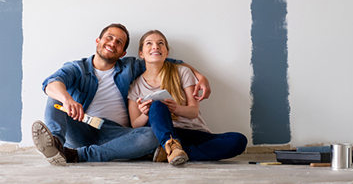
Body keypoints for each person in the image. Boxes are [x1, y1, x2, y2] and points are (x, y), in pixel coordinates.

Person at [31, 23, 211, 165]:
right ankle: (55, 144)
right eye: (109, 38)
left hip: (118, 133)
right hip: (82, 127)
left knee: (153, 135)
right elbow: (51, 83)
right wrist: (68, 100)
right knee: (56, 96)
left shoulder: (130, 66)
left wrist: (200, 76)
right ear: (98, 40)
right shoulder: (77, 68)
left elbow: (167, 60)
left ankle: (78, 156)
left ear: (123, 52)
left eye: (119, 42)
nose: (112, 43)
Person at [128, 30, 247, 166]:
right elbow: (134, 124)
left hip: (193, 132)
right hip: (166, 133)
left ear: (166, 52)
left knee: (238, 140)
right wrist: (145, 114)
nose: (155, 46)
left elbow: (193, 112)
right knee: (157, 105)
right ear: (141, 53)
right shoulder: (135, 85)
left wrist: (176, 108)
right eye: (149, 43)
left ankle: (180, 153)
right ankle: (172, 147)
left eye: (160, 43)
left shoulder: (182, 72)